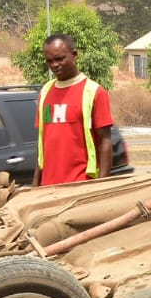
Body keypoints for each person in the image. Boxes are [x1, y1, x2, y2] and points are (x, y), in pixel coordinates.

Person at [32, 34, 114, 187]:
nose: (55, 65)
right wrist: (35, 185)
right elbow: (42, 143)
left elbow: (105, 142)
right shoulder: (45, 92)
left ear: (74, 55)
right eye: (50, 61)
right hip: (47, 188)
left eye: (59, 59)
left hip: (80, 187)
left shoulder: (94, 92)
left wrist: (101, 187)